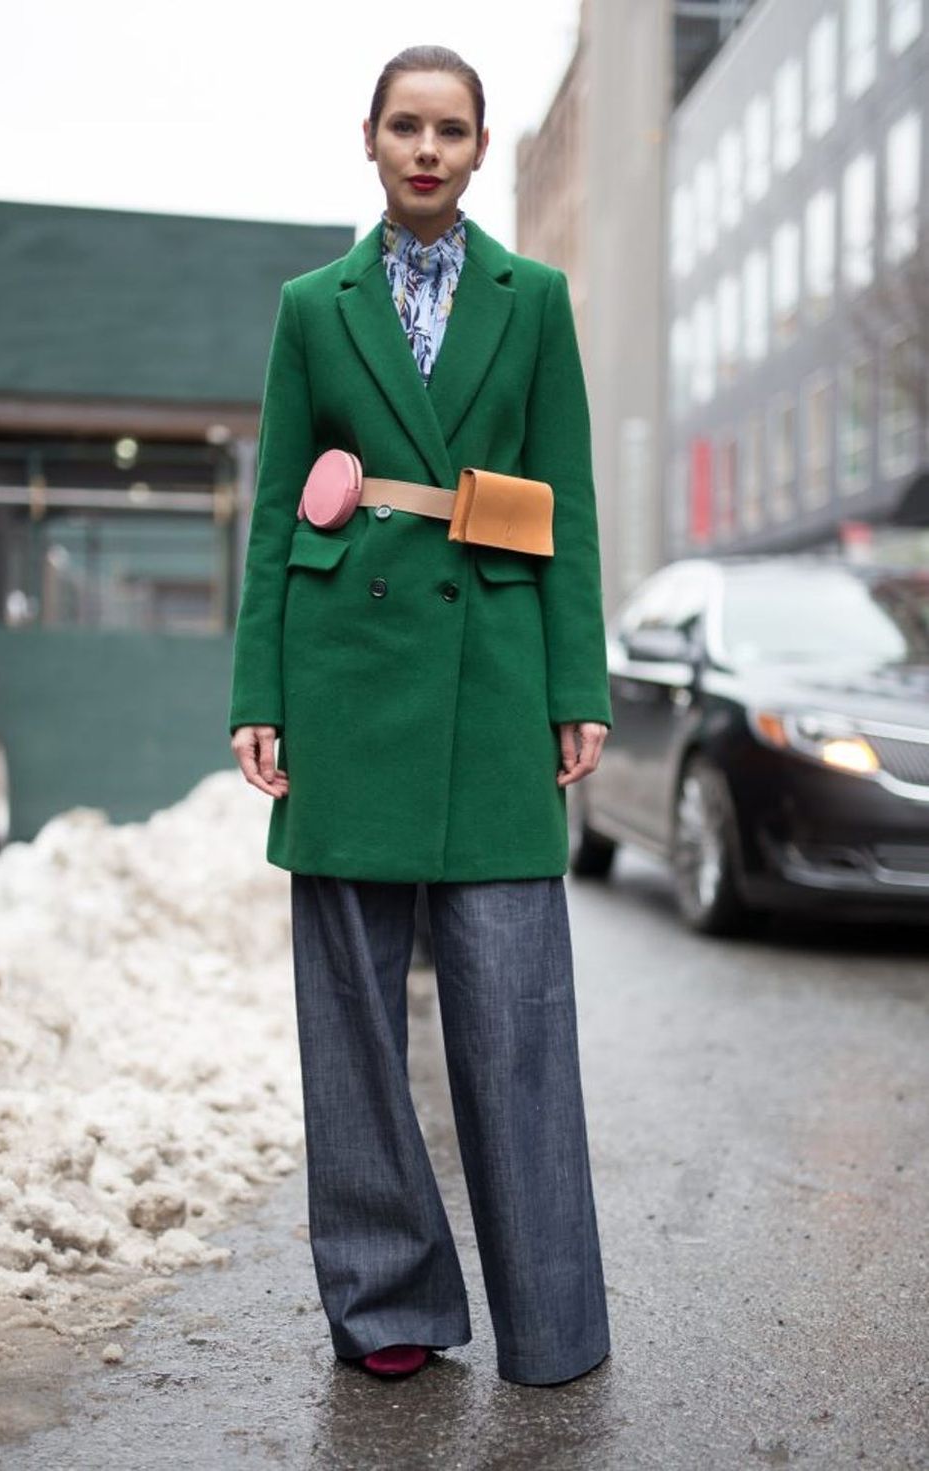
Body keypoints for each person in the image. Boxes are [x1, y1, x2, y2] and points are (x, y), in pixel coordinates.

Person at [229, 43, 614, 1387]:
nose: (429, 149)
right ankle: (388, 1303)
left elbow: (563, 494)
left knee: (516, 1013)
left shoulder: (537, 300)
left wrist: (577, 685)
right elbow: (278, 511)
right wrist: (259, 693)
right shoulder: (313, 309)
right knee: (349, 1013)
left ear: (480, 144)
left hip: (497, 671)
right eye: (408, 126)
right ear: (373, 138)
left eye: (452, 128)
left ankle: (553, 1319)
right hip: (344, 678)